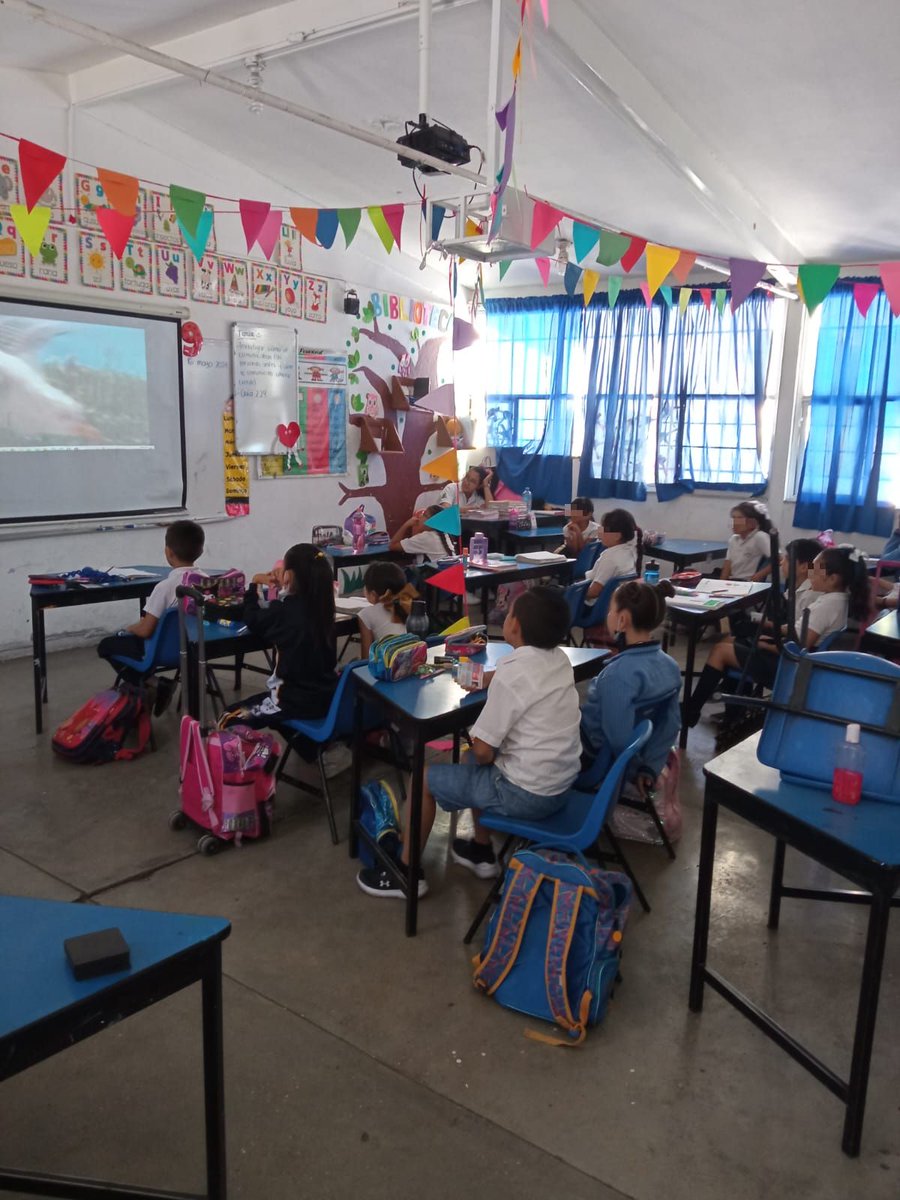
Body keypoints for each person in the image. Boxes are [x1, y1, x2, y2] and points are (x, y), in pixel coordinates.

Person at [356, 585, 582, 898]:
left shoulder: (514, 674)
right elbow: (508, 676)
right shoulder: (556, 660)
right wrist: (481, 679)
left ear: (513, 625)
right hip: (559, 785)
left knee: (428, 777)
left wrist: (479, 732)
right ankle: (481, 850)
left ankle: (404, 873)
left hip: (524, 794)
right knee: (469, 763)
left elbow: (484, 751)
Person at [684, 544, 869, 727]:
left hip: (790, 668)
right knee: (731, 642)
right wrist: (765, 634)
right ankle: (730, 712)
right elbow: (797, 634)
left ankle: (691, 711)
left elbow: (797, 649)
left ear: (832, 579)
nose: (811, 572)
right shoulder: (837, 599)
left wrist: (764, 644)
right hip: (796, 659)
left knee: (720, 651)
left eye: (815, 568)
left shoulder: (826, 605)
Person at [223, 543, 338, 728]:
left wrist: (253, 584)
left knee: (226, 719)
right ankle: (313, 747)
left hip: (291, 702)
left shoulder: (282, 612)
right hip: (328, 699)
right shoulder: (326, 610)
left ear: (289, 576)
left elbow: (252, 617)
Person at [579, 580, 682, 785]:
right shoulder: (670, 666)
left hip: (589, 756)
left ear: (622, 620)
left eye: (610, 611)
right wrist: (649, 767)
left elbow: (618, 738)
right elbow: (670, 724)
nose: (608, 615)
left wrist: (633, 771)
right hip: (634, 755)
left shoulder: (617, 676)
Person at [97, 518, 205, 670]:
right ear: (201, 551)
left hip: (163, 651)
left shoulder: (164, 588)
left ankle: (149, 684)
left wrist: (128, 629)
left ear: (168, 552)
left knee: (106, 645)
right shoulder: (208, 583)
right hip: (198, 649)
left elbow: (145, 630)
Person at [357, 561, 417, 656]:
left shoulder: (366, 614)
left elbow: (366, 657)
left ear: (373, 594)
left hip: (387, 667)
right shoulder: (407, 605)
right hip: (411, 662)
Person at [584, 508, 642, 603]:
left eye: (603, 529)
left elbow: (594, 592)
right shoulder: (631, 551)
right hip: (613, 605)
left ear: (617, 536)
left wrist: (574, 592)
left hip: (594, 606)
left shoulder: (610, 557)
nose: (600, 532)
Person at [721, 501, 772, 581]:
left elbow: (779, 559)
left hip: (748, 583)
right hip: (733, 581)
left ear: (753, 521)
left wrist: (759, 575)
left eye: (740, 518)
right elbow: (727, 565)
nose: (735, 523)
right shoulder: (733, 539)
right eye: (734, 518)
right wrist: (720, 584)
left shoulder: (759, 536)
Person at [389, 505, 455, 562]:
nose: (420, 516)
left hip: (436, 574)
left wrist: (406, 525)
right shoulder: (445, 533)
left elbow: (393, 545)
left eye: (424, 515)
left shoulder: (426, 538)